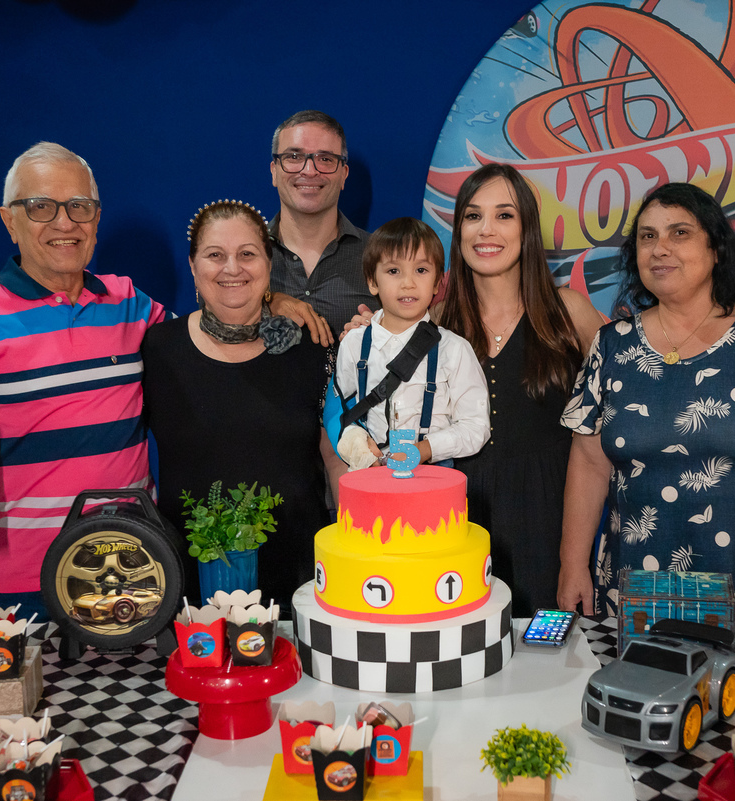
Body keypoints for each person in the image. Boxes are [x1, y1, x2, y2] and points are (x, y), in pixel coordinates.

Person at [557, 182, 735, 617]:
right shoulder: (611, 346)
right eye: (647, 236)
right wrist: (572, 565)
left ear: (717, 249)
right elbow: (588, 463)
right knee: (640, 685)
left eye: (679, 233)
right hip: (635, 585)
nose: (659, 249)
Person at [0, 142, 167, 613]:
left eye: (79, 206)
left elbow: (206, 343)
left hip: (134, 567)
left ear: (96, 219)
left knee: (135, 690)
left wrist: (270, 304)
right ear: (9, 221)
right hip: (19, 580)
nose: (64, 222)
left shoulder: (130, 302)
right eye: (40, 207)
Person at [141, 200, 341, 610]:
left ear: (269, 267)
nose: (233, 268)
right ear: (194, 267)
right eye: (215, 255)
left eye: (247, 254)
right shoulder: (157, 351)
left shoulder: (313, 348)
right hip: (190, 589)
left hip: (302, 583)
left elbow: (336, 459)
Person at [440, 163, 604, 618]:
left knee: (552, 670)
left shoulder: (569, 313)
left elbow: (629, 403)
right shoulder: (434, 325)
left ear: (528, 227)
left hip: (551, 527)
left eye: (504, 215)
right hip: (458, 531)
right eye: (473, 216)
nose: (486, 230)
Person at [334, 218, 489, 470]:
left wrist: (425, 449)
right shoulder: (354, 343)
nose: (408, 283)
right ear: (372, 281)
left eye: (421, 270)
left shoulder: (455, 349)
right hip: (372, 481)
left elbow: (476, 427)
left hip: (434, 482)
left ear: (438, 281)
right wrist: (356, 442)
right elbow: (345, 413)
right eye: (394, 271)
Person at [268, 110, 379, 336]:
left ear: (344, 175)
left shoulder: (382, 255)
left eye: (325, 159)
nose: (309, 171)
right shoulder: (241, 259)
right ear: (274, 171)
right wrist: (264, 302)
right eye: (294, 157)